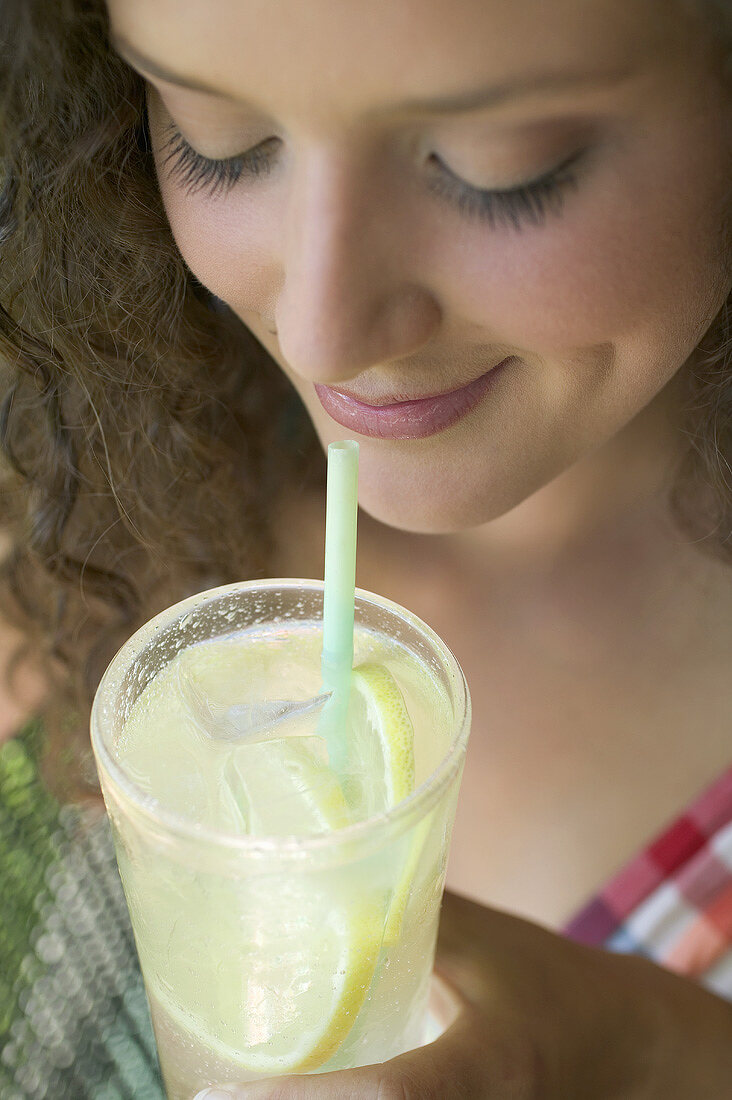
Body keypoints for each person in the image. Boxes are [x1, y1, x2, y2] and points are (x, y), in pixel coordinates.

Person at [1, 0, 730, 1096]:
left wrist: (662, 1055)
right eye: (221, 140)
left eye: (499, 167)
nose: (323, 331)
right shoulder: (53, 475)